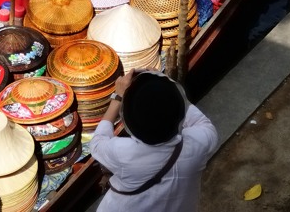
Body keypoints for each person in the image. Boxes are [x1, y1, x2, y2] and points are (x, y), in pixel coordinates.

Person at [90, 70, 218, 211]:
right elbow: (201, 122)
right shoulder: (199, 143)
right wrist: (166, 85)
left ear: (130, 123)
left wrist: (118, 97)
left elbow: (97, 142)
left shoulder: (125, 154)